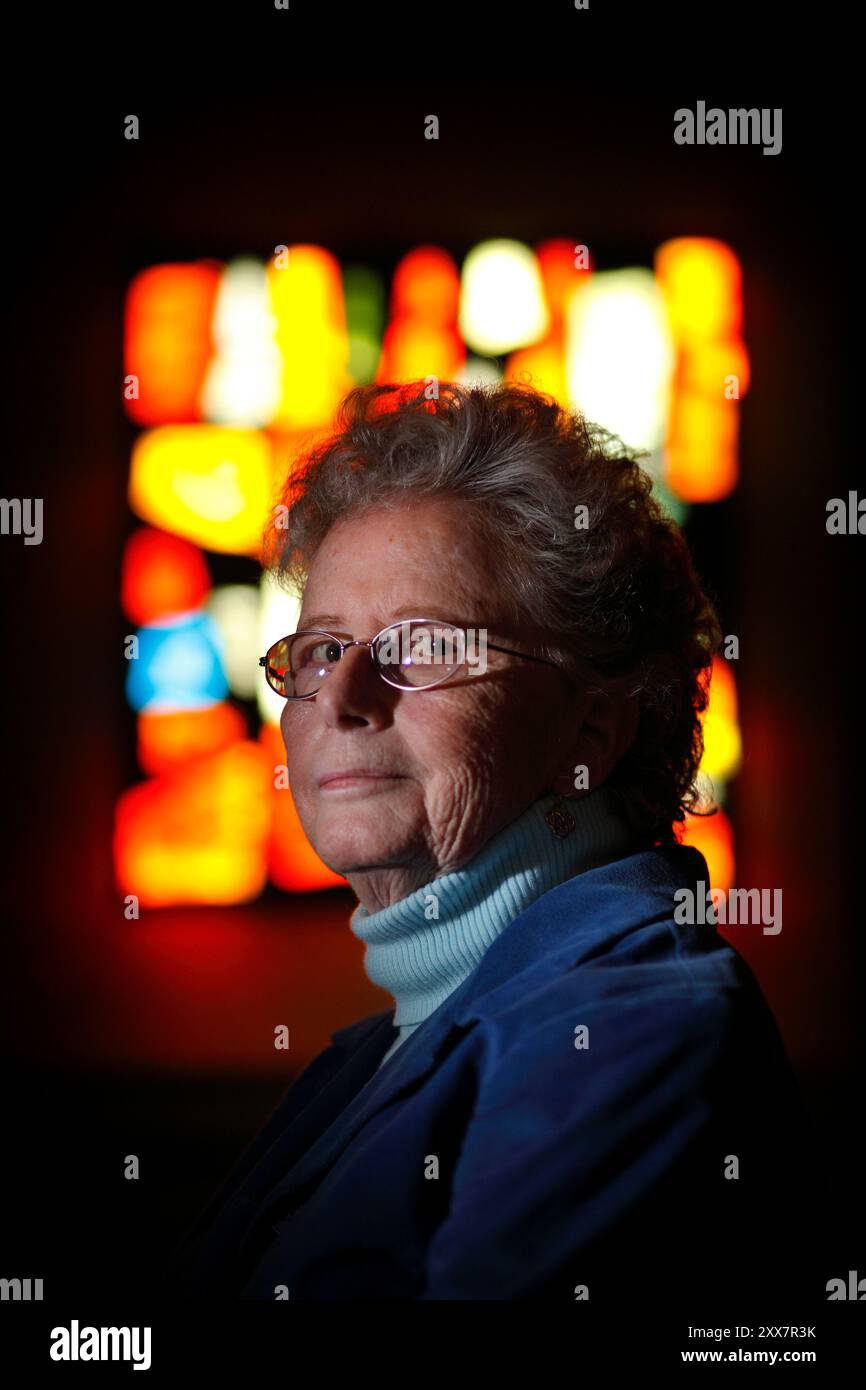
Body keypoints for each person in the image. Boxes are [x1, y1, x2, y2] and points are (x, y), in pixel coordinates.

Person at [168, 380, 816, 1303]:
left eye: (425, 646)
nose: (342, 701)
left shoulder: (642, 1029)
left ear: (591, 732)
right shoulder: (372, 1051)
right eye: (319, 650)